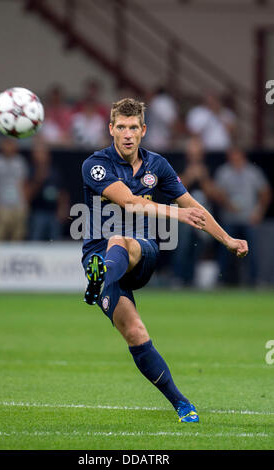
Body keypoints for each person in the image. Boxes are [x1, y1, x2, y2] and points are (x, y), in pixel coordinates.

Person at [80, 98, 248, 423]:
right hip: (100, 256)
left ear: (143, 130)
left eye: (133, 128)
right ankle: (182, 403)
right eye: (121, 127)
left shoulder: (157, 166)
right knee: (136, 332)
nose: (127, 134)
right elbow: (128, 202)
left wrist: (227, 239)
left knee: (122, 239)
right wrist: (178, 214)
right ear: (110, 129)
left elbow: (194, 207)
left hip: (142, 252)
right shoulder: (95, 164)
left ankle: (98, 279)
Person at [172, 136, 234, 286]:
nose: (195, 154)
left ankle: (192, 278)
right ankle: (178, 278)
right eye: (192, 151)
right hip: (183, 213)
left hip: (201, 213)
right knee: (183, 245)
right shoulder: (179, 165)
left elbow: (213, 194)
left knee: (199, 246)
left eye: (197, 151)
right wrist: (189, 175)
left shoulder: (208, 168)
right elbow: (173, 191)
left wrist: (203, 177)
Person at [215, 147, 272, 285]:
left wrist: (258, 212)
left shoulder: (253, 172)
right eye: (231, 156)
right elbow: (217, 194)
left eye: (236, 155)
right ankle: (222, 281)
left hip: (249, 220)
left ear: (242, 155)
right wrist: (227, 204)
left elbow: (266, 192)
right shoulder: (224, 172)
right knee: (225, 250)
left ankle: (254, 280)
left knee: (252, 251)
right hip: (229, 219)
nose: (234, 158)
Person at [0, 138, 29, 241]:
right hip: (1, 205)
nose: (8, 148)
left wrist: (25, 203)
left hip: (18, 206)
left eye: (11, 145)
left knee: (17, 237)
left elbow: (23, 184)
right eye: (6, 144)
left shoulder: (20, 162)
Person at [27, 141, 69, 241]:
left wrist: (63, 208)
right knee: (35, 239)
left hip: (53, 213)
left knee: (55, 240)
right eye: (38, 153)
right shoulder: (30, 171)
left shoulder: (55, 171)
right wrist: (38, 179)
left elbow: (62, 191)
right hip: (37, 212)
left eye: (43, 153)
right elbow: (27, 194)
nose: (40, 156)